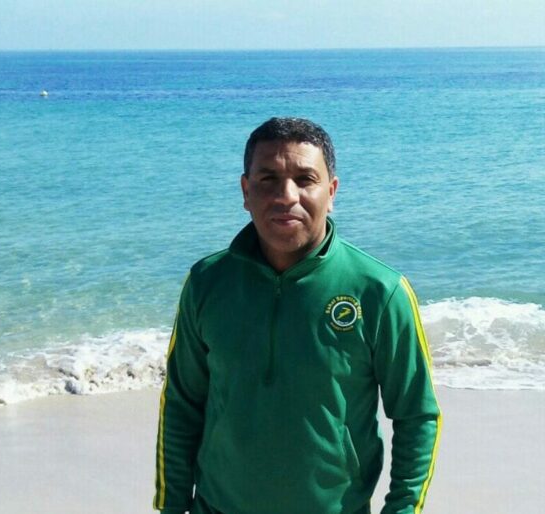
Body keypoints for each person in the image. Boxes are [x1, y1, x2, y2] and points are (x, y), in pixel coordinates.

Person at [154, 117, 441, 514]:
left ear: (331, 191)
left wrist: (403, 509)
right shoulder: (207, 283)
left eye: (305, 179)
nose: (286, 195)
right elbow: (181, 404)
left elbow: (417, 415)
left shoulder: (380, 291)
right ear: (246, 191)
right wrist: (170, 506)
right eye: (268, 179)